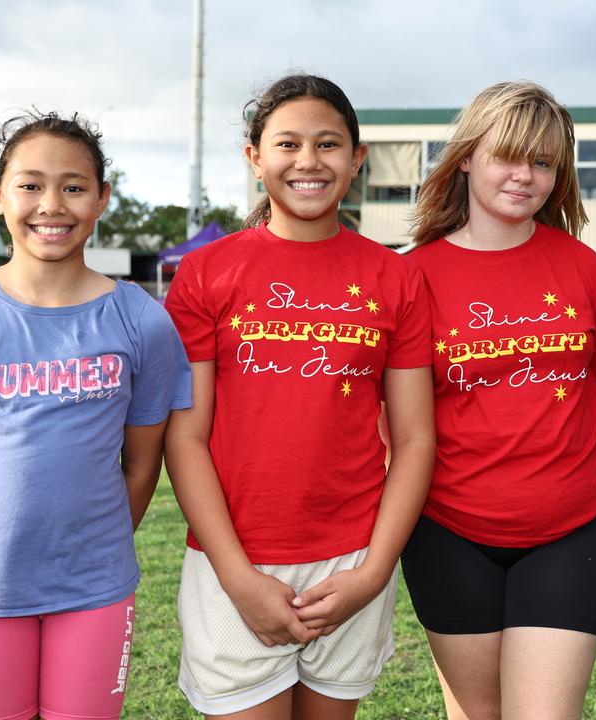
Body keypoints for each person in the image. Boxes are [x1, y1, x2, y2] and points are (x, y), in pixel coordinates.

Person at [164, 74, 435, 720]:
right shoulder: (207, 273)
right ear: (255, 157)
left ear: (357, 159)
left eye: (329, 144)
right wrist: (238, 578)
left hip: (350, 563)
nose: (308, 161)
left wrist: (371, 574)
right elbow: (186, 436)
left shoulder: (394, 278)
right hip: (233, 559)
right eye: (287, 144)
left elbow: (417, 438)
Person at [0, 110, 192, 720]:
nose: (52, 204)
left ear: (101, 200)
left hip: (94, 582)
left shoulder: (141, 320)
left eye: (73, 186)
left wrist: (94, 546)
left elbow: (143, 463)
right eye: (30, 184)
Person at [400, 81, 596, 720]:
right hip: (449, 529)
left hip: (568, 528)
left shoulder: (583, 268)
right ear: (467, 156)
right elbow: (397, 416)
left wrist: (551, 457)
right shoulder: (413, 274)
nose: (525, 175)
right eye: (508, 155)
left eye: (544, 162)